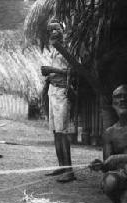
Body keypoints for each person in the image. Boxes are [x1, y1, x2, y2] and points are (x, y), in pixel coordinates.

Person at [41, 20, 76, 183]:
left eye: (56, 28)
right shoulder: (53, 51)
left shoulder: (68, 49)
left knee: (62, 132)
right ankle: (62, 167)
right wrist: (49, 76)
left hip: (62, 92)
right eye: (51, 30)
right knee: (56, 131)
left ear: (63, 30)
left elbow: (72, 71)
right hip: (53, 90)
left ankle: (69, 171)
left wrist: (51, 70)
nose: (53, 31)